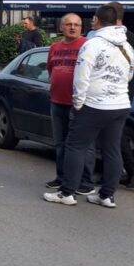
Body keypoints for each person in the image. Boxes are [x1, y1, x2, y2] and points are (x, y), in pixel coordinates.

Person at [45, 5, 134, 208]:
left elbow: (81, 76)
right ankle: (107, 195)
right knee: (112, 150)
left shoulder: (92, 44)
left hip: (94, 104)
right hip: (120, 104)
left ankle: (67, 192)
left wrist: (78, 102)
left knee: (75, 146)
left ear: (96, 21)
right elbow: (129, 75)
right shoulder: (126, 46)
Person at [44, 14, 93, 191]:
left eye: (77, 25)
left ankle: (85, 182)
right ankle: (62, 177)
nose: (73, 27)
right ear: (61, 27)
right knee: (60, 142)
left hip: (80, 104)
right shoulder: (55, 47)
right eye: (69, 24)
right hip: (57, 101)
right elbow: (51, 69)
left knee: (82, 145)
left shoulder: (87, 46)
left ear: (82, 28)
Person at [106, 2, 134, 185]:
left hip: (107, 92)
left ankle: (122, 172)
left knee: (111, 136)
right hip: (126, 92)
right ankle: (129, 171)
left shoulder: (104, 39)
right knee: (117, 133)